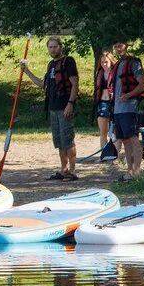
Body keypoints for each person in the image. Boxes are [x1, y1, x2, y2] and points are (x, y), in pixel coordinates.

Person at [20, 36, 80, 180]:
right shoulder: (50, 65)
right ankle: (63, 169)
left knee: (68, 139)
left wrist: (70, 103)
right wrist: (26, 71)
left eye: (55, 46)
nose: (53, 49)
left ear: (60, 47)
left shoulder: (68, 61)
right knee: (59, 141)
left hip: (65, 106)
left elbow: (75, 83)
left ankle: (72, 171)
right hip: (53, 108)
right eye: (50, 47)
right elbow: (43, 84)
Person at [110, 39, 144, 180]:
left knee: (133, 138)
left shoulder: (134, 63)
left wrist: (128, 95)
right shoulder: (118, 64)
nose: (118, 48)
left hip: (129, 108)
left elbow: (142, 84)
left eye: (120, 45)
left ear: (126, 45)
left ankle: (137, 171)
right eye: (116, 46)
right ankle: (129, 171)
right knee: (125, 140)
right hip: (118, 109)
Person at [93, 49, 116, 154]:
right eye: (102, 62)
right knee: (103, 132)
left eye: (106, 62)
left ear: (111, 61)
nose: (104, 64)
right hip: (102, 102)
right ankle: (104, 153)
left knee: (115, 131)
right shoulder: (99, 73)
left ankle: (115, 153)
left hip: (114, 102)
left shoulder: (115, 72)